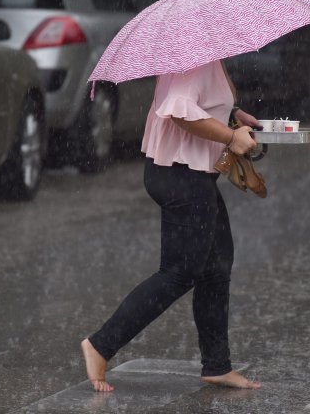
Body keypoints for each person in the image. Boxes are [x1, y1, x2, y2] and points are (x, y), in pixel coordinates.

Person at [81, 59, 262, 392]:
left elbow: (202, 103)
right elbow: (179, 110)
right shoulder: (193, 58)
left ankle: (217, 365)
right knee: (179, 273)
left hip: (191, 175)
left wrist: (234, 116)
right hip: (181, 175)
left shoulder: (208, 55)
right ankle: (100, 345)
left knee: (217, 264)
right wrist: (229, 137)